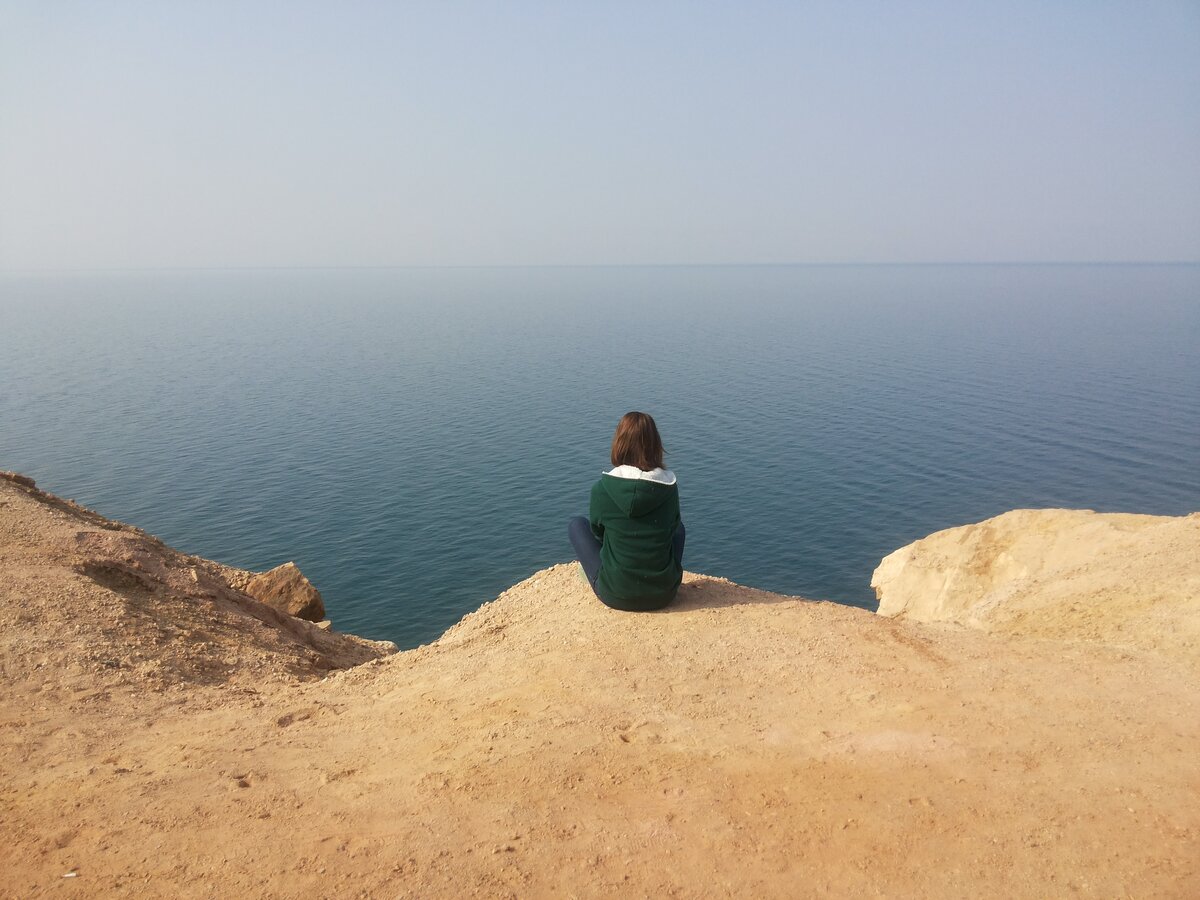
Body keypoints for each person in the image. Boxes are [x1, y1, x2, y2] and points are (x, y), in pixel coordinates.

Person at [568, 411, 685, 611]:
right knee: (679, 528)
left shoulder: (602, 489)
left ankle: (608, 575)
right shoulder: (668, 488)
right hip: (663, 595)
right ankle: (664, 577)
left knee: (576, 525)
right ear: (656, 444)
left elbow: (598, 533)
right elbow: (673, 527)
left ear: (619, 443)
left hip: (614, 594)